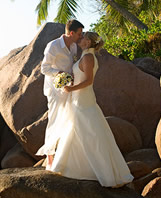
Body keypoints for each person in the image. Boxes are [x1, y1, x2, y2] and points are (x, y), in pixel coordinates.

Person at [51, 32, 134, 187]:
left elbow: (89, 81)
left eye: (82, 38)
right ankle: (71, 166)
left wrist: (72, 88)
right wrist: (68, 81)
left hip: (84, 99)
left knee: (90, 133)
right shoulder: (85, 57)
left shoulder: (88, 58)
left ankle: (103, 172)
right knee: (77, 129)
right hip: (79, 98)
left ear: (87, 42)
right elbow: (82, 77)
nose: (79, 39)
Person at [35, 19, 84, 170]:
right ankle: (50, 159)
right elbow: (44, 68)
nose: (81, 37)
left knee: (69, 118)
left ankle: (66, 154)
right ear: (71, 33)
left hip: (69, 88)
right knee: (55, 119)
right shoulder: (53, 46)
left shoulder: (75, 46)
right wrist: (60, 74)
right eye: (79, 34)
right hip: (55, 90)